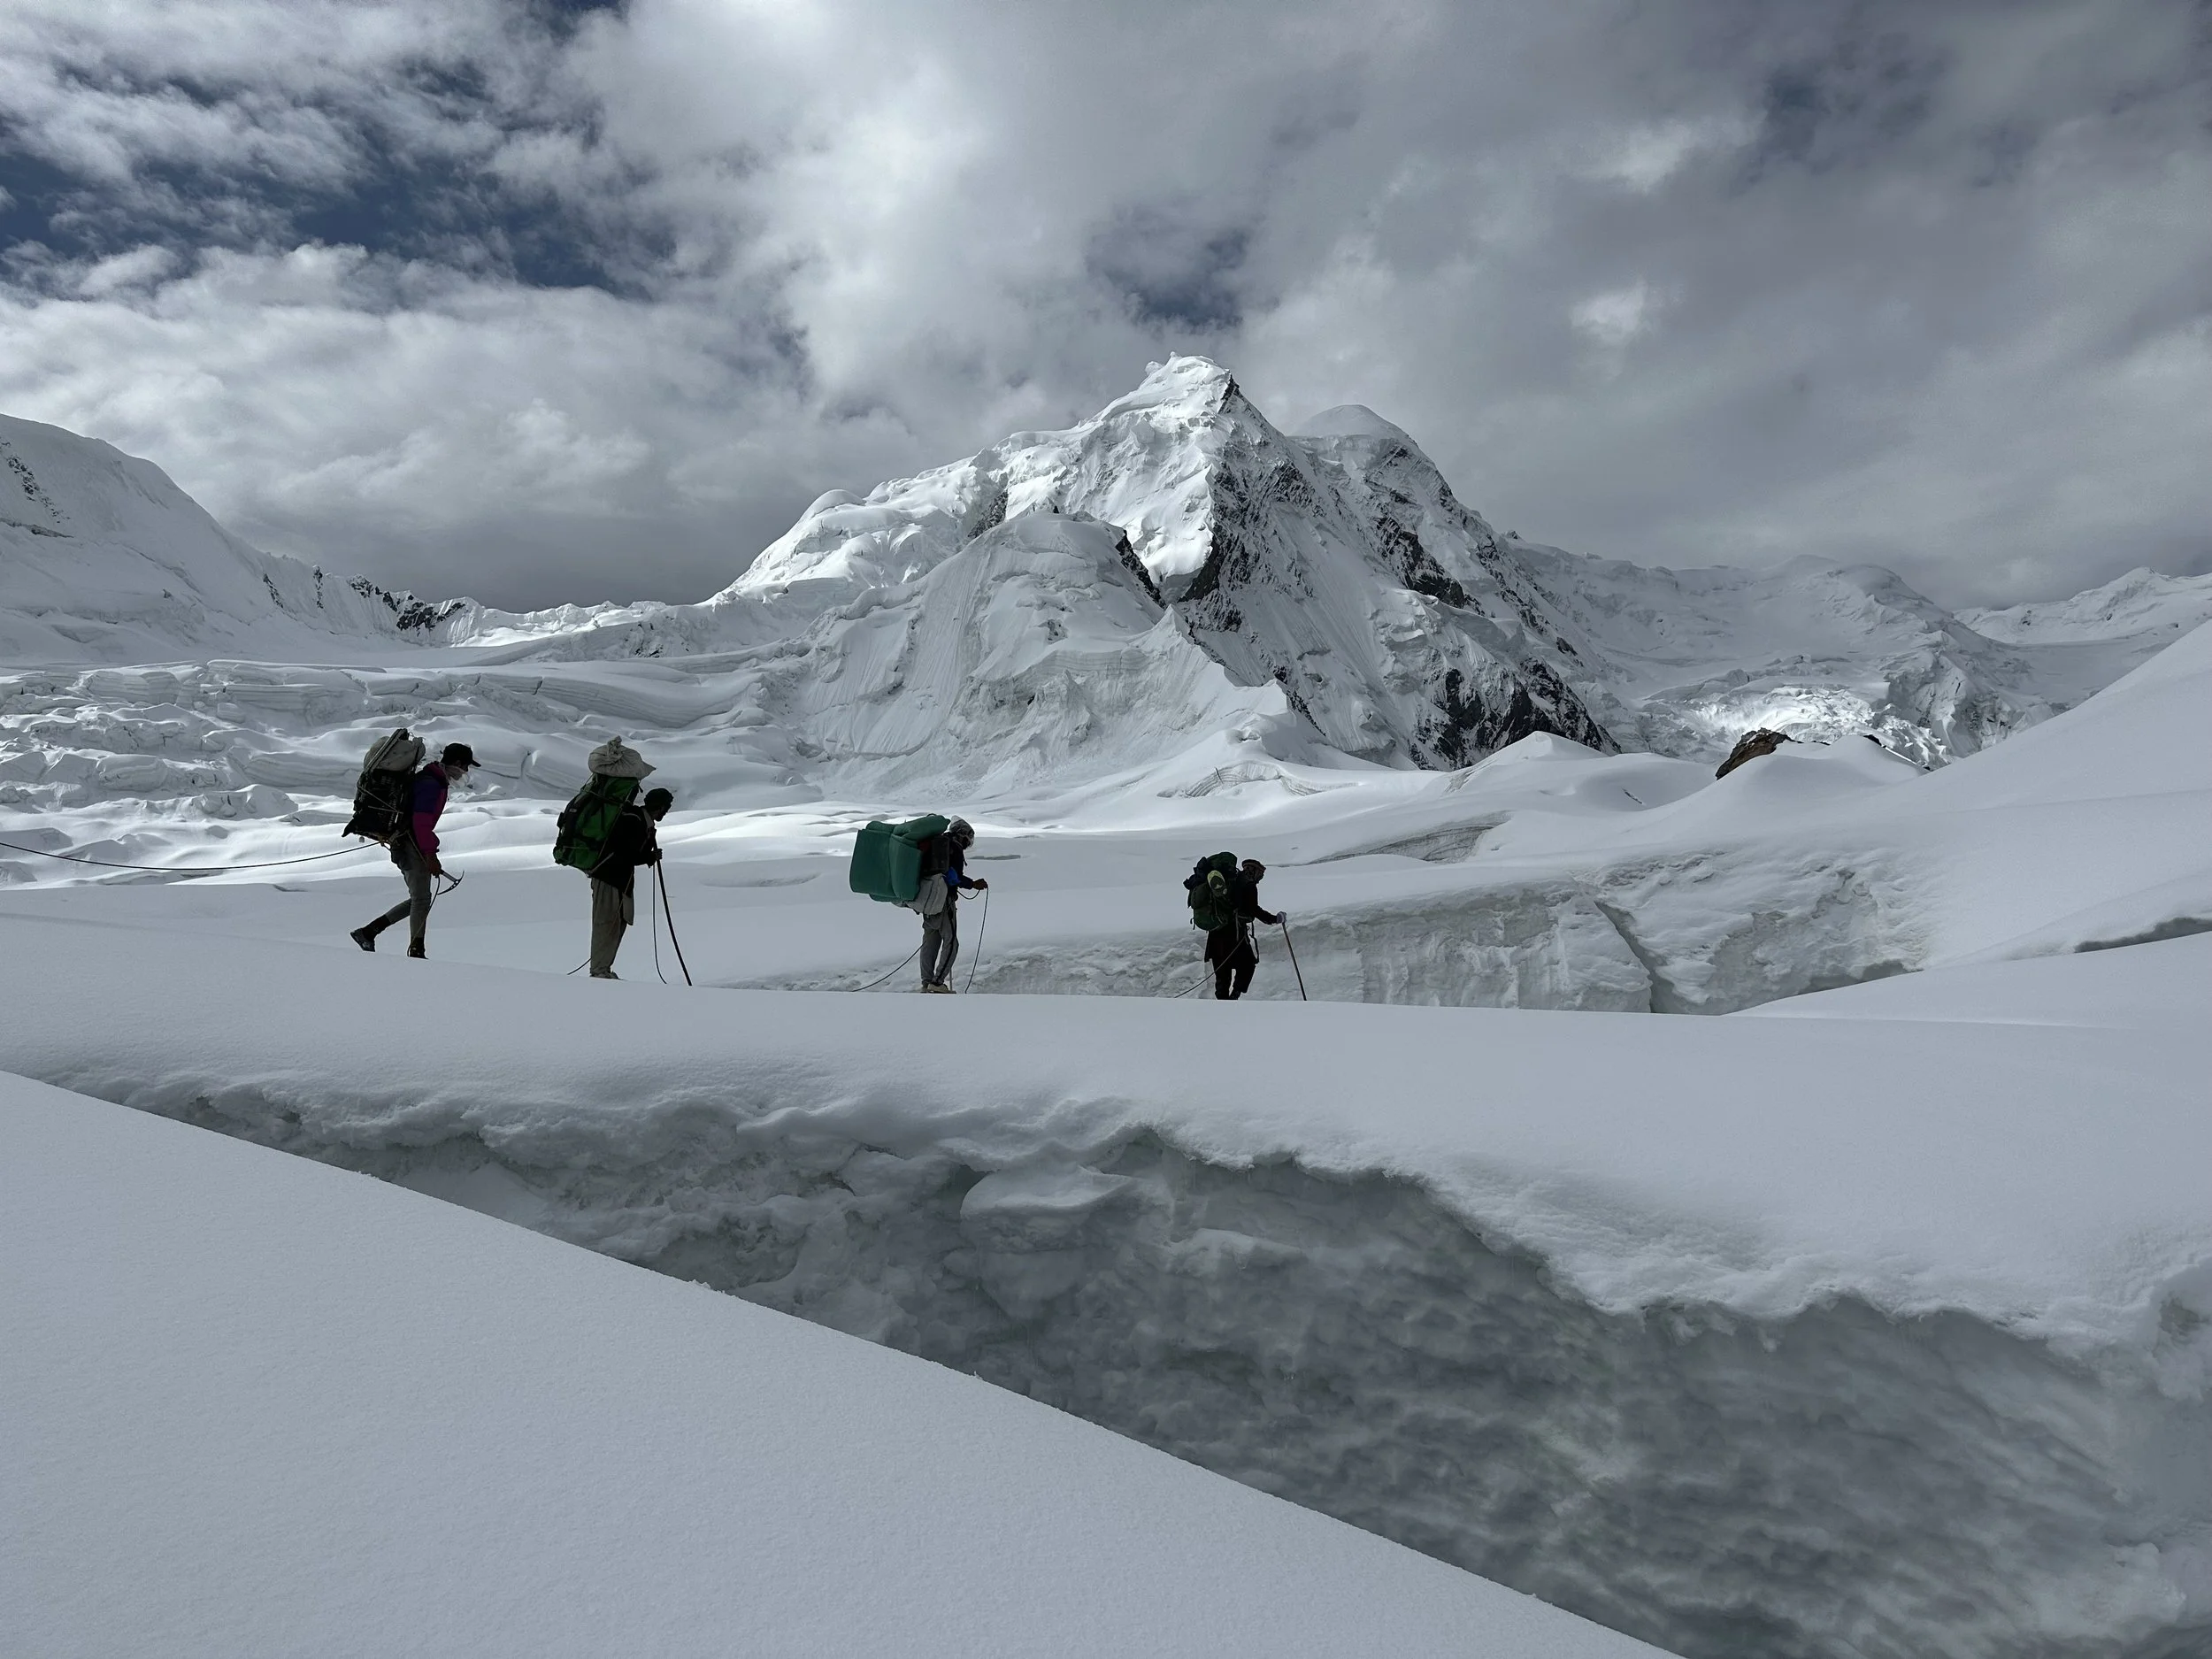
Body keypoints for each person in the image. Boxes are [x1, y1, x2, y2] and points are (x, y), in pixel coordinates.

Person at [350, 742, 474, 957]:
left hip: (407, 842)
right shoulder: (431, 783)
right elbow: (421, 822)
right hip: (410, 844)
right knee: (421, 899)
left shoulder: (432, 779)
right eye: (465, 766)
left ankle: (369, 932)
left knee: (420, 898)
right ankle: (416, 950)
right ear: (456, 763)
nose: (466, 772)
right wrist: (430, 854)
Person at [588, 786, 673, 979]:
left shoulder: (639, 821)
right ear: (659, 807)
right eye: (666, 807)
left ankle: (603, 969)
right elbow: (626, 853)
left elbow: (629, 853)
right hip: (609, 877)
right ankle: (599, 971)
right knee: (607, 923)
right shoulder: (633, 821)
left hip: (618, 879)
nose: (666, 812)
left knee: (617, 923)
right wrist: (649, 856)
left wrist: (649, 855)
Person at [918, 817, 987, 993]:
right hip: (944, 901)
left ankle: (927, 983)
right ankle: (937, 982)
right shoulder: (954, 847)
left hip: (927, 901)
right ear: (963, 835)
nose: (967, 843)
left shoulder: (939, 844)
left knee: (930, 941)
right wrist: (973, 884)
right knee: (951, 942)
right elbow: (953, 877)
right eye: (968, 839)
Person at [1204, 858, 1281, 1001]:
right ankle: (1234, 997)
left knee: (1222, 974)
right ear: (1255, 871)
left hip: (1216, 935)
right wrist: (1274, 919)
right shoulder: (1249, 885)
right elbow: (1254, 909)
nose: (1260, 878)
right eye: (1260, 875)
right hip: (1234, 935)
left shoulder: (1230, 881)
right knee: (1248, 965)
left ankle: (1221, 1006)